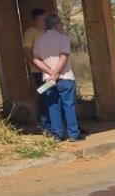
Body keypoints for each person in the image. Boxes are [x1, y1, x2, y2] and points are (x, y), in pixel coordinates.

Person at [32, 13, 82, 142]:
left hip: (48, 79)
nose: (62, 27)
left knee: (53, 107)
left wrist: (50, 72)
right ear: (56, 25)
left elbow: (36, 60)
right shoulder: (63, 38)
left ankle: (57, 134)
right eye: (61, 24)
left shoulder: (39, 40)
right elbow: (63, 57)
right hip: (65, 76)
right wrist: (56, 73)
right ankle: (73, 133)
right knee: (69, 105)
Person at [22, 8, 48, 130]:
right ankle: (43, 124)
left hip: (52, 71)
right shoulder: (30, 33)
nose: (44, 21)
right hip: (38, 72)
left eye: (45, 19)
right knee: (44, 95)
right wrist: (38, 66)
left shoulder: (48, 32)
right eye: (42, 19)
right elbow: (28, 52)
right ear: (35, 20)